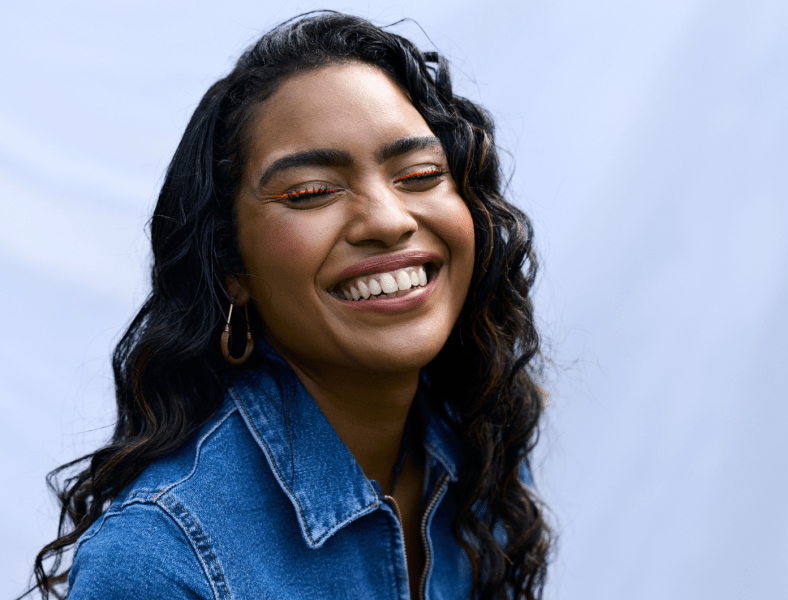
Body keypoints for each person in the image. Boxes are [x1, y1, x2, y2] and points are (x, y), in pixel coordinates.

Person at [29, 12, 551, 600]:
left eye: (421, 173)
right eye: (310, 192)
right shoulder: (161, 556)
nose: (386, 220)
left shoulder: (473, 446)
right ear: (232, 267)